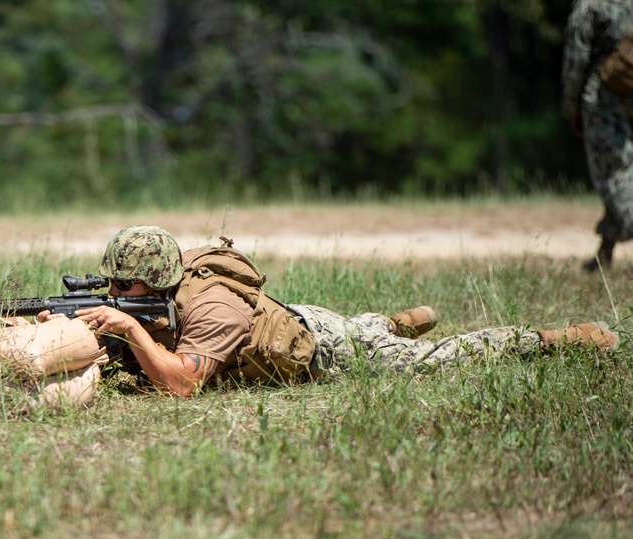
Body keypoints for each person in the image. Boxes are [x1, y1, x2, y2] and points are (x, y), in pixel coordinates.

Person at [57, 226, 620, 397]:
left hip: (323, 350)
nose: (113, 292)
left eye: (121, 286)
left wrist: (129, 326)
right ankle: (389, 321)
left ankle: (550, 338)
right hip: (295, 318)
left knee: (430, 364)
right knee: (366, 329)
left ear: (154, 280)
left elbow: (182, 387)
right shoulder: (166, 297)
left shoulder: (214, 308)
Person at [561, 0, 633, 271]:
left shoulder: (589, 5)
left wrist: (571, 107)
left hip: (603, 96)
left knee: (615, 174)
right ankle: (605, 253)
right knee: (619, 173)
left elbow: (576, 59)